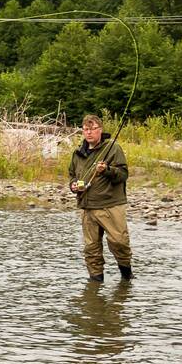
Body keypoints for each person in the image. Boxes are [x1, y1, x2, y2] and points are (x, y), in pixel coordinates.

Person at [68, 114, 132, 282]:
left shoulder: (112, 148)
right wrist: (73, 185)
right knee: (91, 249)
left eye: (93, 129)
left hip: (110, 205)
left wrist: (107, 170)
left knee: (119, 243)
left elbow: (123, 174)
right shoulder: (77, 153)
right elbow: (72, 175)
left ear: (100, 130)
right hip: (87, 206)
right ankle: (95, 283)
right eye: (86, 129)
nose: (89, 133)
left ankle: (126, 276)